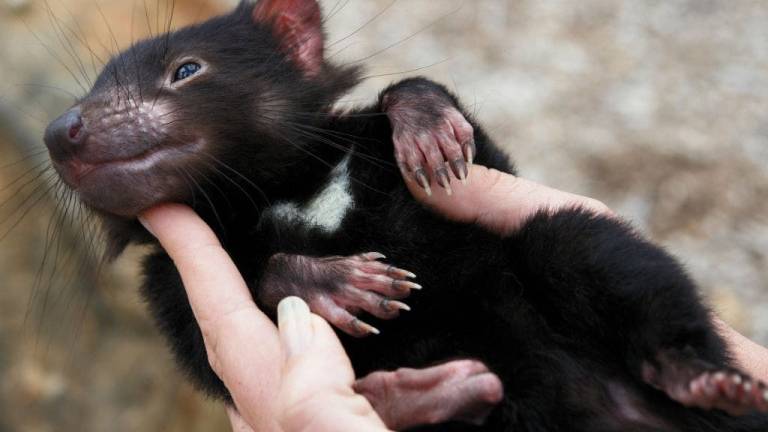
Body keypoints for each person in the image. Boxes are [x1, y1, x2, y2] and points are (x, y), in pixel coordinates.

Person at [139, 165, 768, 432]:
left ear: (296, 44)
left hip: (599, 339)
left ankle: (679, 353)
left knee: (564, 236)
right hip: (504, 400)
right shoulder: (175, 276)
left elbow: (478, 175)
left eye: (183, 73)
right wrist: (276, 281)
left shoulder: (372, 131)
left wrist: (417, 105)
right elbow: (218, 360)